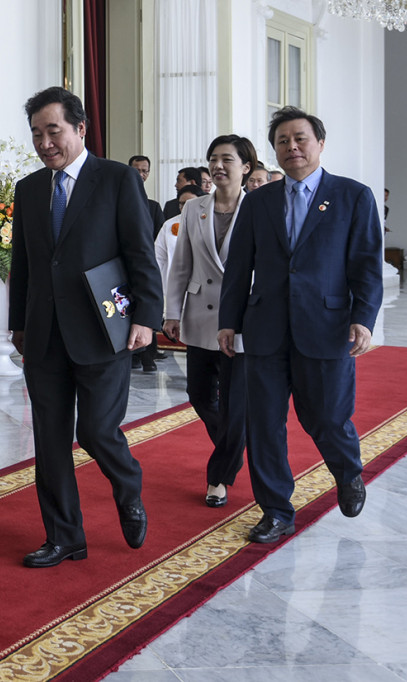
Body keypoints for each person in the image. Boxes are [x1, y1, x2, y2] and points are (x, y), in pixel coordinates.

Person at [9, 86, 164, 568]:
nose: (44, 142)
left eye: (53, 131)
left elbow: (140, 253)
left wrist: (146, 318)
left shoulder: (117, 180)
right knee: (50, 440)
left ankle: (128, 487)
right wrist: (17, 324)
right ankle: (64, 537)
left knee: (97, 431)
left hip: (104, 328)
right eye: (36, 134)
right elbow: (25, 263)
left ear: (80, 128)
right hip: (44, 335)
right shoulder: (29, 189)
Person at [218, 106, 384, 543]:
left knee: (327, 418)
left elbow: (367, 266)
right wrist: (228, 322)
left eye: (300, 138)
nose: (292, 147)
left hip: (327, 327)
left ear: (320, 143)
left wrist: (363, 319)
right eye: (282, 141)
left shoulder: (353, 196)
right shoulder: (258, 201)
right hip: (265, 328)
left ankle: (347, 472)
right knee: (264, 423)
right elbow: (240, 267)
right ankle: (275, 510)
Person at [163, 135, 257, 509]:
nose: (218, 166)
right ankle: (236, 441)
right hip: (200, 315)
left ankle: (219, 476)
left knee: (235, 403)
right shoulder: (193, 209)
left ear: (246, 167)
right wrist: (172, 311)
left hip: (242, 320)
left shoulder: (259, 207)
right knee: (199, 395)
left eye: (227, 159)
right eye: (213, 159)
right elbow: (180, 264)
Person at [129, 154, 168, 372]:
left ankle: (148, 356)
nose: (141, 174)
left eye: (145, 170)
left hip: (147, 264)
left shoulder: (153, 206)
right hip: (125, 266)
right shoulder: (119, 198)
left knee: (147, 306)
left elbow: (160, 237)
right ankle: (134, 355)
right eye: (137, 170)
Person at [154, 184, 207, 292]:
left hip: (203, 287)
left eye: (190, 203)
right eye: (182, 203)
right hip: (172, 286)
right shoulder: (169, 225)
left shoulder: (210, 223)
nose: (185, 207)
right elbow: (158, 257)